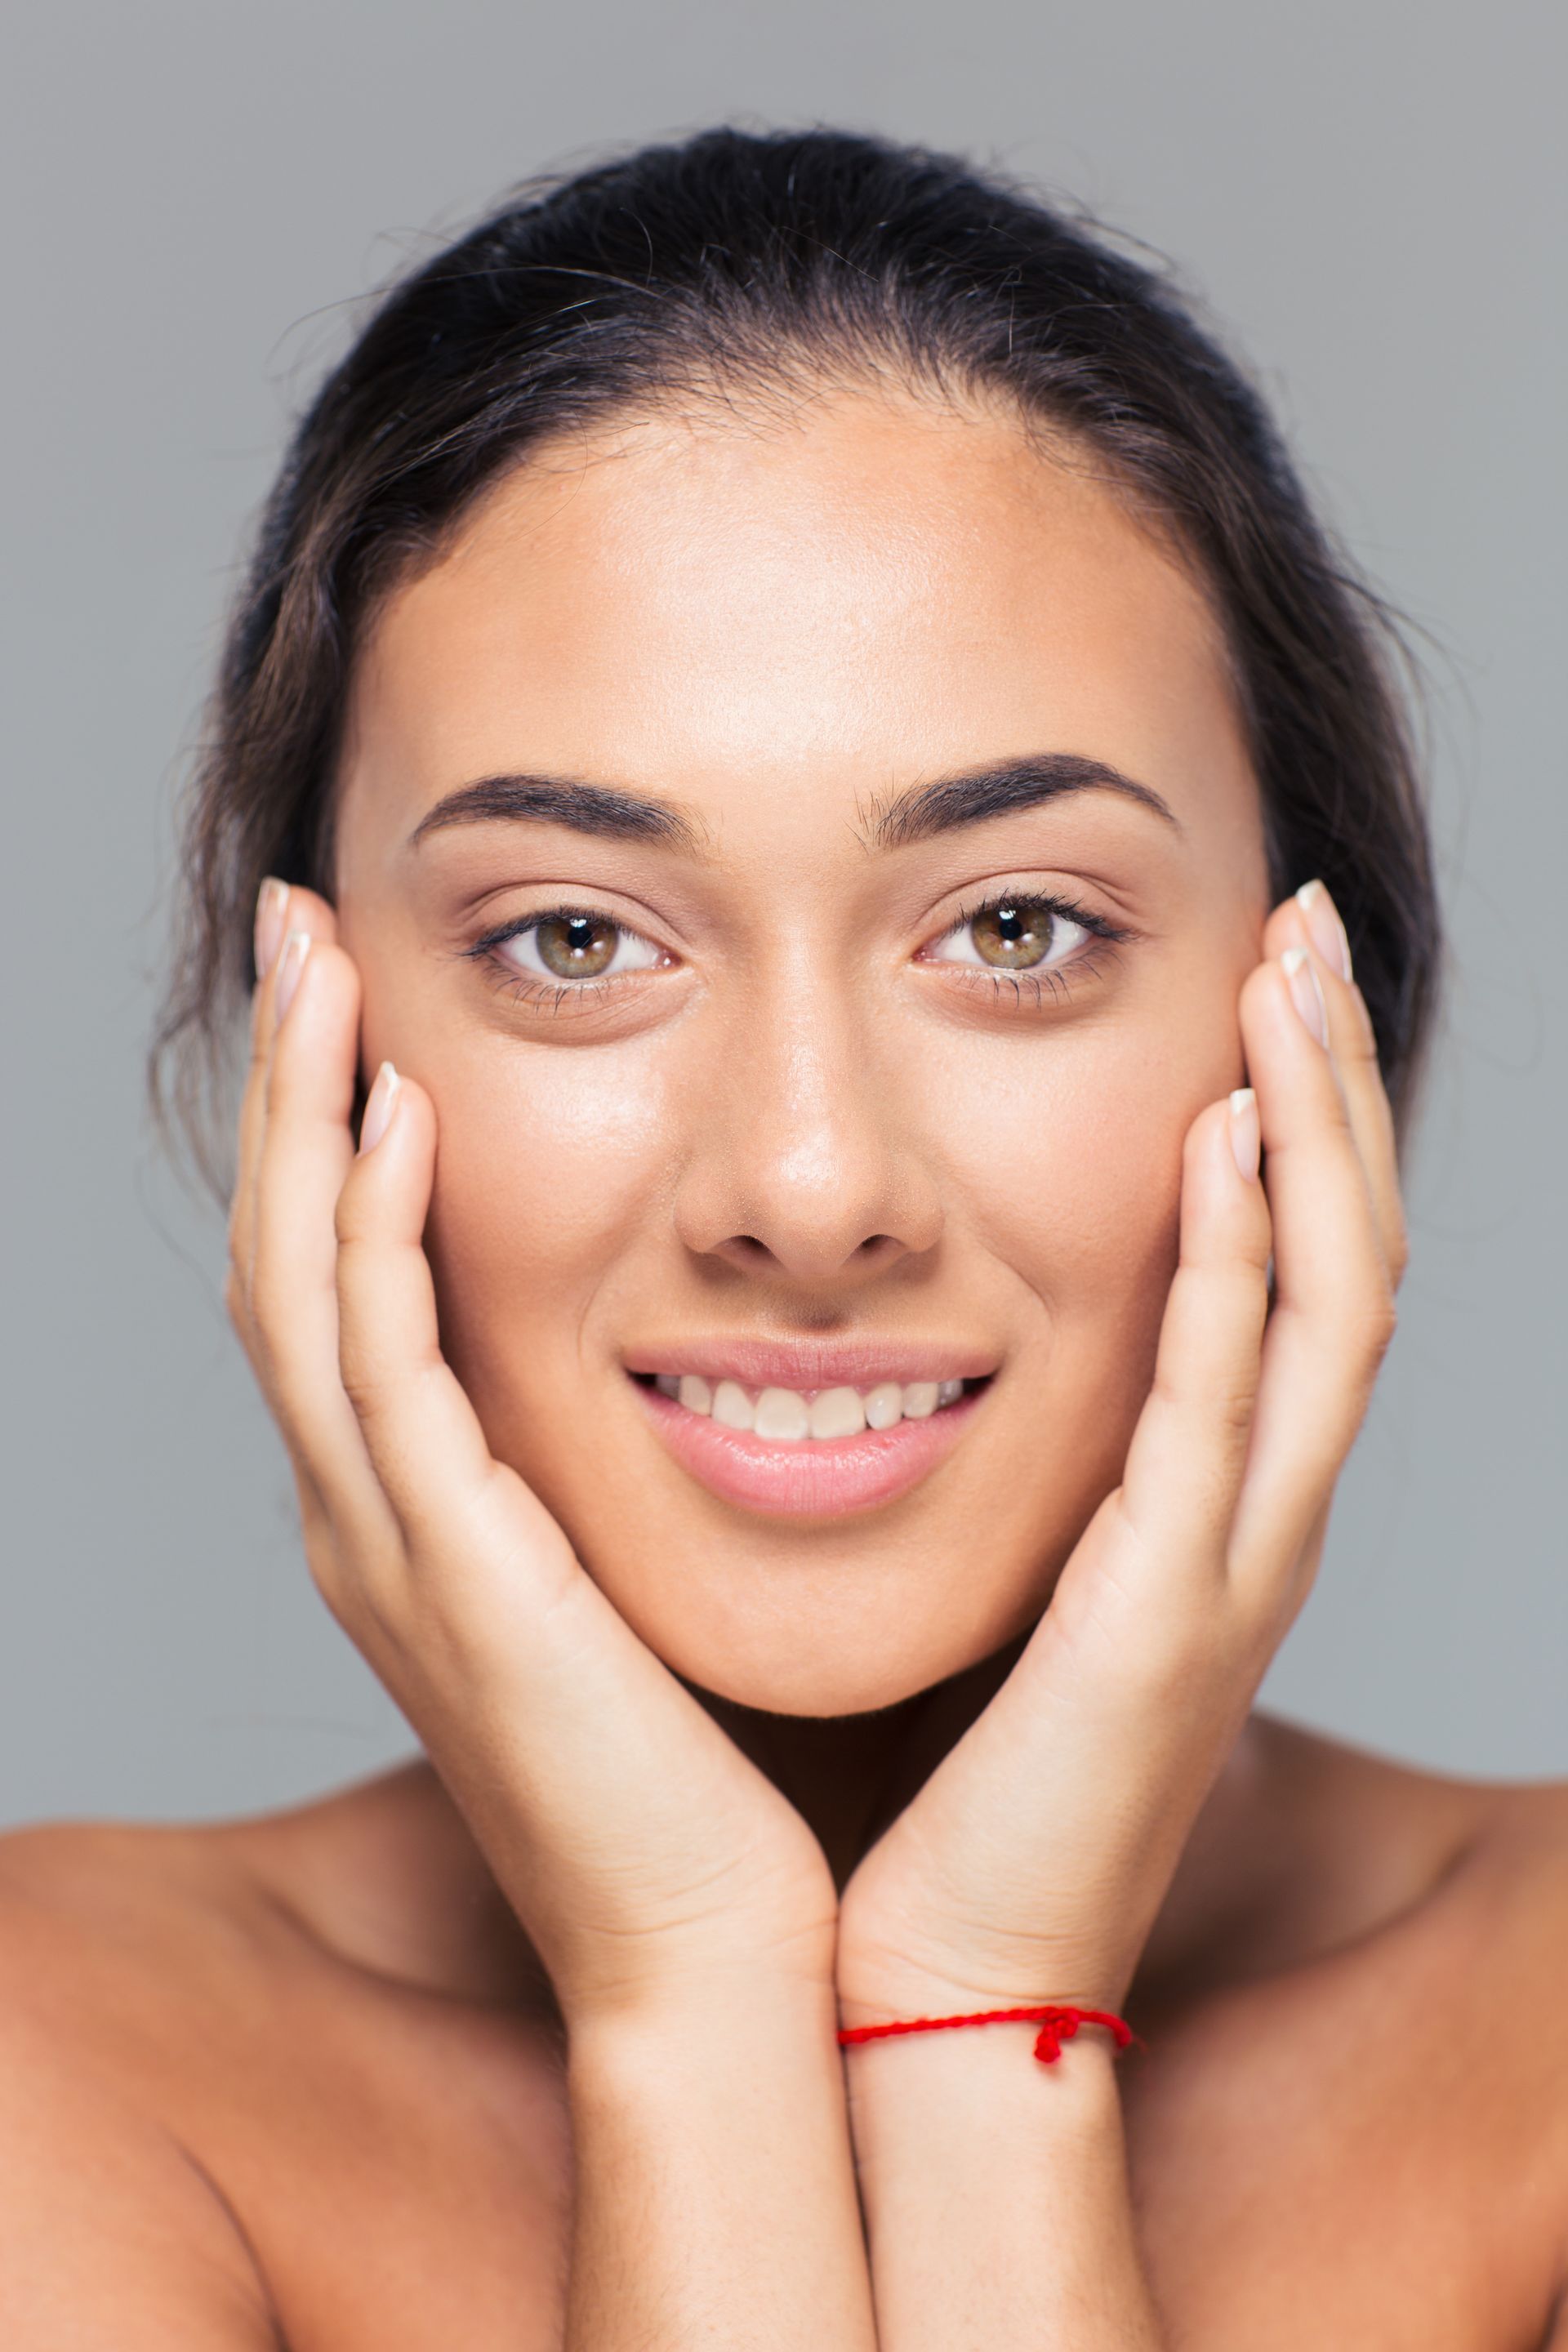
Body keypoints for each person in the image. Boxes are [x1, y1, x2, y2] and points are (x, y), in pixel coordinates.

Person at [2, 122, 1563, 2348]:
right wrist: (691, 2001)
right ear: (318, 1060)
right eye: (574, 938)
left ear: (1317, 1002)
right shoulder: (57, 2073)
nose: (810, 1189)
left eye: (1015, 927)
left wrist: (974, 2030)